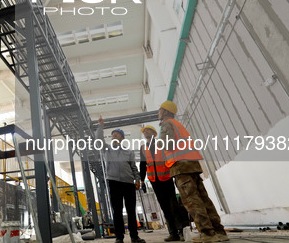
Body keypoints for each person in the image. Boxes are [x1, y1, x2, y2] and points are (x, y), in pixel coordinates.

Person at [157, 101, 229, 243]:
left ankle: (207, 234)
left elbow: (170, 144)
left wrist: (159, 143)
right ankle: (219, 232)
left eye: (160, 110)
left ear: (165, 111)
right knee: (203, 199)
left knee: (191, 200)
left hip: (181, 166)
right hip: (192, 164)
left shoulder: (167, 124)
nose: (158, 112)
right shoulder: (177, 124)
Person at [96, 116, 146, 243]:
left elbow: (134, 168)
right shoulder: (107, 149)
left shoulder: (128, 152)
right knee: (117, 210)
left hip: (129, 183)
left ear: (122, 138)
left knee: (131, 210)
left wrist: (138, 180)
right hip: (114, 182)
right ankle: (119, 237)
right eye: (113, 134)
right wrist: (100, 126)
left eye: (117, 134)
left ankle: (134, 236)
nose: (114, 136)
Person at [139, 125, 184, 242]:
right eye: (144, 131)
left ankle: (181, 230)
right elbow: (143, 165)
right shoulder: (143, 148)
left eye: (148, 130)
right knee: (164, 206)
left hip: (166, 177)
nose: (146, 132)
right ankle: (173, 233)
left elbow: (171, 157)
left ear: (154, 133)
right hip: (154, 180)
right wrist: (142, 180)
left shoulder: (161, 143)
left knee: (173, 204)